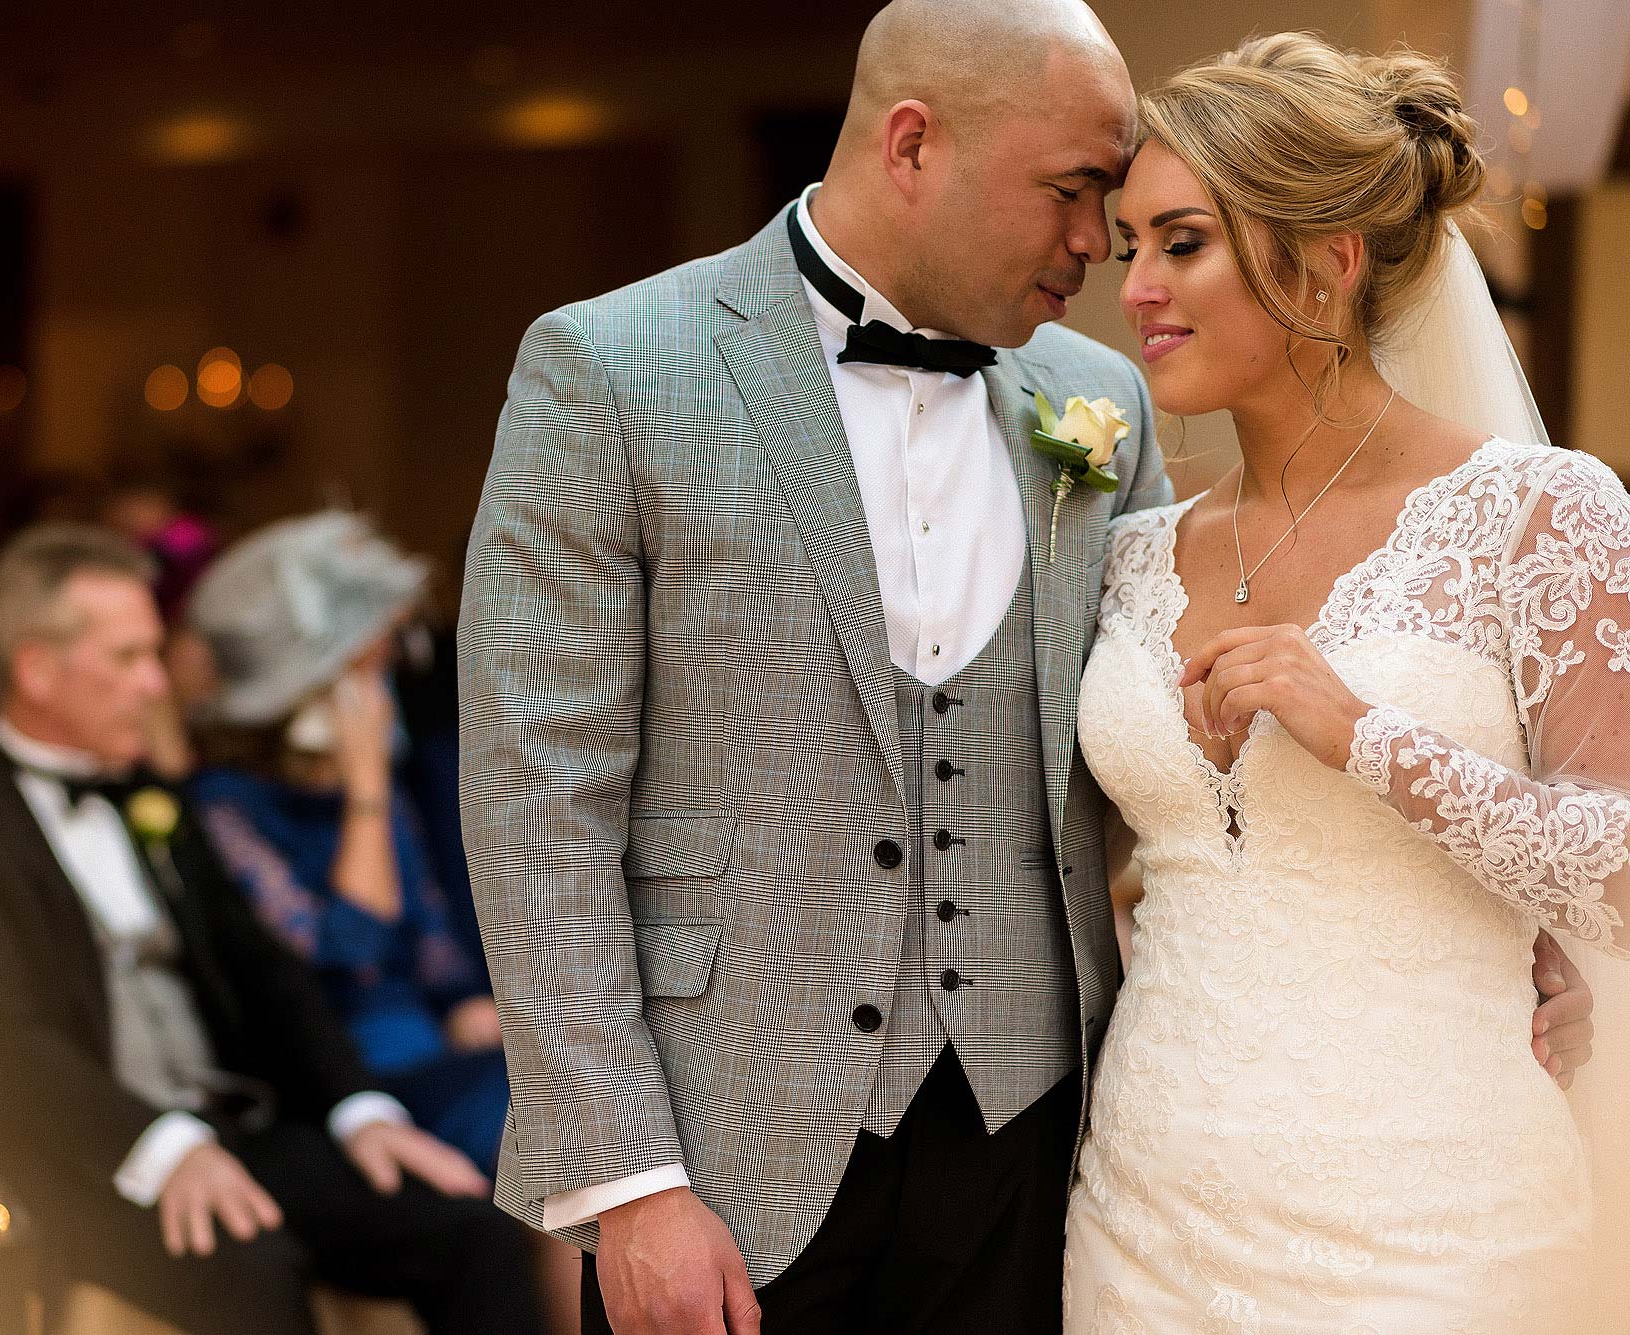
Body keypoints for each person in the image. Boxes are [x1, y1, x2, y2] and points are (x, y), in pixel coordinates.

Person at [458, 3, 1596, 1333]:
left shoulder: (1097, 407)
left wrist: (1493, 911)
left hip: (1043, 1155)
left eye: (1146, 223)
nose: (1099, 257)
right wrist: (627, 1180)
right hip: (727, 1161)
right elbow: (541, 798)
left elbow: (1148, 756)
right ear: (912, 142)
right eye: (1081, 201)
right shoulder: (612, 368)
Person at [1063, 34, 1620, 1329]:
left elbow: (1621, 870)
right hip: (1143, 1219)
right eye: (1129, 242)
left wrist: (1363, 732)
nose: (1135, 285)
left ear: (1328, 257)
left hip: (1439, 1231)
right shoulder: (1132, 551)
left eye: (1181, 241)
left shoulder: (1537, 515)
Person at [0, 523, 544, 1335]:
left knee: (476, 1225)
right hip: (93, 1160)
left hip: (244, 1126)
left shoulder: (158, 801)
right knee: (254, 1270)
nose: (157, 685)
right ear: (36, 670)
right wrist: (163, 1146)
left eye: (156, 654)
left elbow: (269, 974)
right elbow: (3, 1039)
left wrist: (360, 1108)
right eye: (127, 659)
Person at [186, 513, 507, 1175]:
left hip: (434, 1051)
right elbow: (347, 953)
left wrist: (463, 999)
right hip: (346, 1082)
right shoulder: (226, 802)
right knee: (532, 1131)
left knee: (575, 1110)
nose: (391, 667)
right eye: (374, 654)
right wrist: (365, 791)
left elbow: (432, 938)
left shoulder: (384, 785)